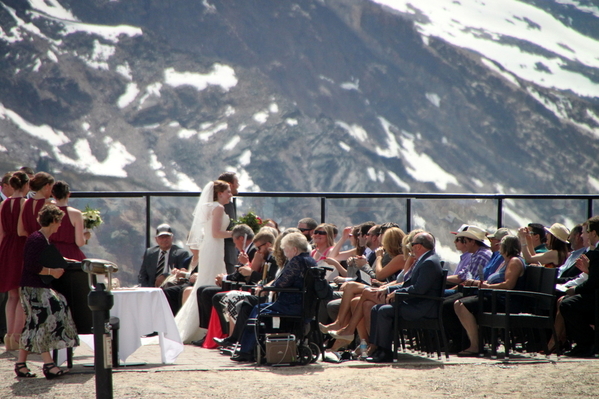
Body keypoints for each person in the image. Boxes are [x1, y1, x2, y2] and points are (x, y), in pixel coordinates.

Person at [232, 232, 317, 362]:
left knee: (256, 309)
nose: (285, 254)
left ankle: (246, 351)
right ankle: (257, 346)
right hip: (305, 305)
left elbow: (280, 283)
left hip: (290, 305)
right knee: (260, 309)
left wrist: (265, 288)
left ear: (294, 249)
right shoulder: (310, 260)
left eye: (286, 250)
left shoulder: (296, 261)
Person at [16, 204, 79, 379]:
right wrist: (52, 272)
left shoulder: (42, 239)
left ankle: (21, 364)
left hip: (33, 287)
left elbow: (47, 257)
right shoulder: (36, 239)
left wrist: (66, 261)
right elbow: (32, 265)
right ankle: (49, 364)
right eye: (59, 222)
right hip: (34, 288)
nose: (60, 226)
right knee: (44, 320)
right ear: (53, 221)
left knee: (32, 324)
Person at [367, 232, 444, 362]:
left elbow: (419, 289)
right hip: (415, 302)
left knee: (383, 311)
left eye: (412, 245)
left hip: (422, 307)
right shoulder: (425, 260)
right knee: (376, 309)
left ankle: (385, 352)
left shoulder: (429, 262)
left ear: (418, 246)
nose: (411, 248)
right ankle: (378, 348)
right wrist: (389, 288)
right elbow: (409, 283)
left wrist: (397, 293)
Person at [175, 180, 233, 343]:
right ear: (220, 193)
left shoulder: (207, 206)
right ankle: (208, 328)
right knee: (213, 282)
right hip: (214, 247)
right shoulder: (219, 208)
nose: (230, 194)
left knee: (205, 282)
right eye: (228, 191)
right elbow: (216, 233)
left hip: (209, 248)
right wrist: (235, 233)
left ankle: (204, 326)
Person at [453, 235, 527, 356]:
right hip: (494, 297)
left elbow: (508, 285)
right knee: (459, 303)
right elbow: (493, 280)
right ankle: (474, 343)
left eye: (501, 245)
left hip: (504, 302)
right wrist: (477, 283)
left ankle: (475, 345)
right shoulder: (505, 261)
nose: (498, 247)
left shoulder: (515, 261)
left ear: (506, 247)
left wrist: (488, 287)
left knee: (460, 305)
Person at [559, 216, 599, 357]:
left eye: (586, 232)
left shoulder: (596, 253)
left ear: (593, 233)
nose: (584, 235)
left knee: (568, 305)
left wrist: (574, 290)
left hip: (595, 296)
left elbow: (594, 282)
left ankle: (586, 343)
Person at [0, 171, 30, 351]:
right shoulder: (26, 203)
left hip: (7, 248)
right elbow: (23, 230)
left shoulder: (3, 204)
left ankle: (9, 335)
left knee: (11, 296)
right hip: (21, 248)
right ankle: (18, 336)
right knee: (22, 295)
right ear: (26, 185)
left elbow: (1, 233)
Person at [138, 224, 190, 288]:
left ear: (172, 238)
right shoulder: (149, 253)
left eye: (167, 237)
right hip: (151, 289)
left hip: (170, 289)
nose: (164, 239)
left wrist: (165, 276)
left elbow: (182, 274)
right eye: (161, 237)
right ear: (156, 239)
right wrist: (147, 289)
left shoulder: (181, 254)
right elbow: (142, 275)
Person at [49, 181, 90, 261]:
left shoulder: (47, 211)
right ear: (68, 194)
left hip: (51, 253)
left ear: (53, 195)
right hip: (71, 254)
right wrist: (86, 236)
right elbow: (80, 242)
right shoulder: (76, 214)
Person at [17, 172, 54, 237]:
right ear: (47, 186)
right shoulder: (49, 204)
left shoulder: (25, 203)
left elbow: (20, 232)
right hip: (45, 243)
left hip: (30, 243)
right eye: (51, 187)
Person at [218, 172, 240, 274]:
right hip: (225, 251)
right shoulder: (222, 206)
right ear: (230, 185)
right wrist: (239, 233)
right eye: (237, 182)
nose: (238, 185)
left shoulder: (227, 204)